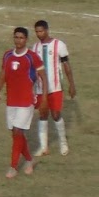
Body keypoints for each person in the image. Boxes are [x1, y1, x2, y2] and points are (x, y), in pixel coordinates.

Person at [0, 27, 41, 180]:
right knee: (15, 133)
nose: (18, 40)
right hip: (12, 101)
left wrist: (43, 96)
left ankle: (13, 167)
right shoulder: (7, 55)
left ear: (26, 39)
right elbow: (3, 75)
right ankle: (29, 160)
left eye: (21, 38)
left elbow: (43, 76)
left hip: (26, 101)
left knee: (18, 131)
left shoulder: (32, 57)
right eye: (16, 37)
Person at [31, 19, 76, 158]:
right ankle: (43, 147)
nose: (39, 34)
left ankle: (63, 143)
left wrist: (72, 84)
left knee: (56, 115)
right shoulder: (34, 48)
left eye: (41, 31)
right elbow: (32, 70)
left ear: (47, 30)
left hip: (55, 87)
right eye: (37, 32)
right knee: (42, 115)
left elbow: (66, 66)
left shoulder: (59, 45)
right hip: (40, 88)